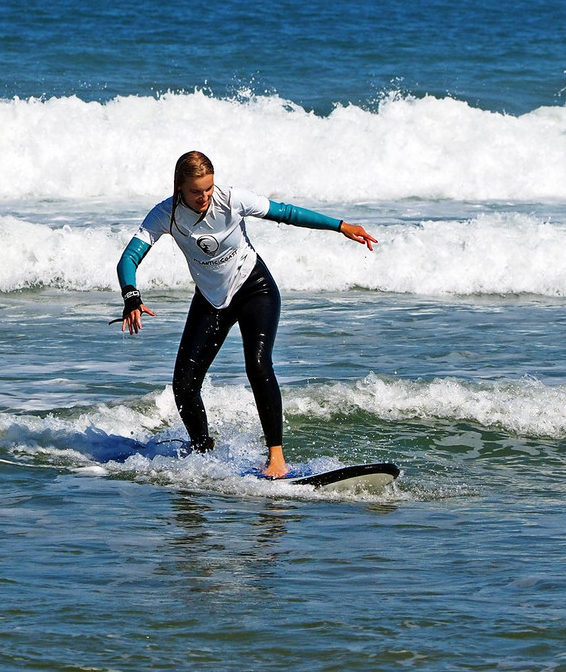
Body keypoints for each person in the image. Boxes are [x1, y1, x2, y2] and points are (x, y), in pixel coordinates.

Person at [115, 151, 376, 478]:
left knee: (257, 363)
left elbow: (287, 213)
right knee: (183, 385)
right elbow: (128, 259)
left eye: (209, 189)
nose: (204, 197)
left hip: (255, 290)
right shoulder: (165, 214)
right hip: (211, 300)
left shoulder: (232, 200)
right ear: (179, 187)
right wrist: (131, 296)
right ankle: (202, 451)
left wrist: (340, 226)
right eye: (196, 191)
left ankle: (276, 459)